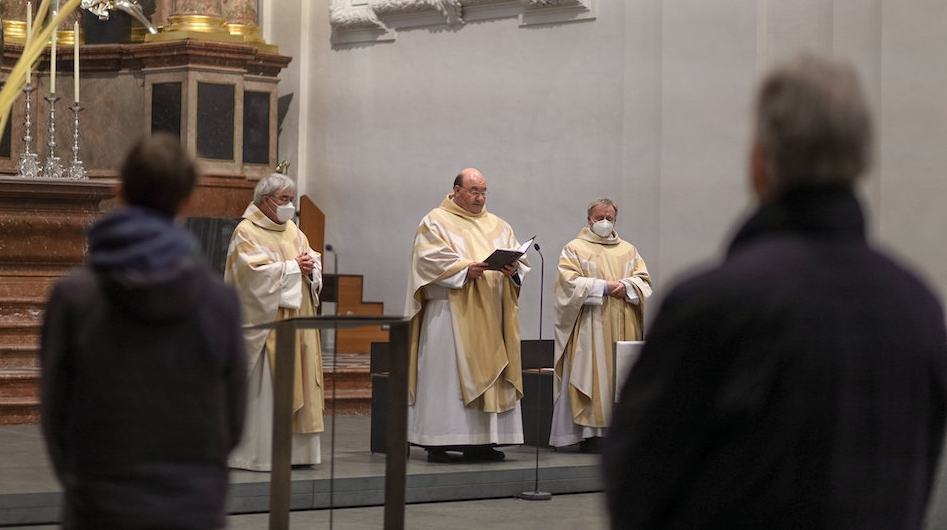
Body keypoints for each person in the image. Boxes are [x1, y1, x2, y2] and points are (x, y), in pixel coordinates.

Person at [605, 55, 947, 529]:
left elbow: (635, 483)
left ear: (760, 162)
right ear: (862, 161)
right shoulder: (919, 308)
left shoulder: (713, 305)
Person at [40, 133, 247, 530]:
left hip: (100, 504)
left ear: (119, 191)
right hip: (193, 506)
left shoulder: (74, 298)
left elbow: (56, 414)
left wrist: (86, 482)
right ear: (188, 200)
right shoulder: (219, 302)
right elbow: (232, 419)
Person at [405, 168, 530, 462]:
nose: (480, 198)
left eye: (484, 192)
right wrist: (464, 270)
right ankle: (439, 442)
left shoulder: (500, 225)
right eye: (474, 191)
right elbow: (425, 261)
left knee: (491, 377)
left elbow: (519, 260)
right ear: (457, 190)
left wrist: (513, 269)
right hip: (451, 314)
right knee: (448, 379)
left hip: (493, 313)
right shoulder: (435, 221)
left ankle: (483, 442)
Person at [225, 173, 323, 468]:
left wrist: (311, 267)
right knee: (267, 387)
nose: (289, 205)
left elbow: (310, 257)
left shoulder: (293, 230)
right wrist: (292, 267)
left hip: (298, 318)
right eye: (284, 199)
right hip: (268, 323)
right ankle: (261, 454)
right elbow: (251, 277)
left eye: (291, 199)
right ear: (266, 201)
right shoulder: (246, 231)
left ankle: (299, 454)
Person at [551, 198, 651, 451]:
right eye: (599, 218)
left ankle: (618, 434)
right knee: (592, 376)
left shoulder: (628, 250)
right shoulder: (574, 248)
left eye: (609, 218)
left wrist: (627, 286)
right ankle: (591, 435)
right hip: (591, 326)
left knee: (620, 377)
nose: (605, 223)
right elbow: (567, 284)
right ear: (589, 219)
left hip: (624, 326)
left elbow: (644, 281)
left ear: (615, 220)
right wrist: (604, 286)